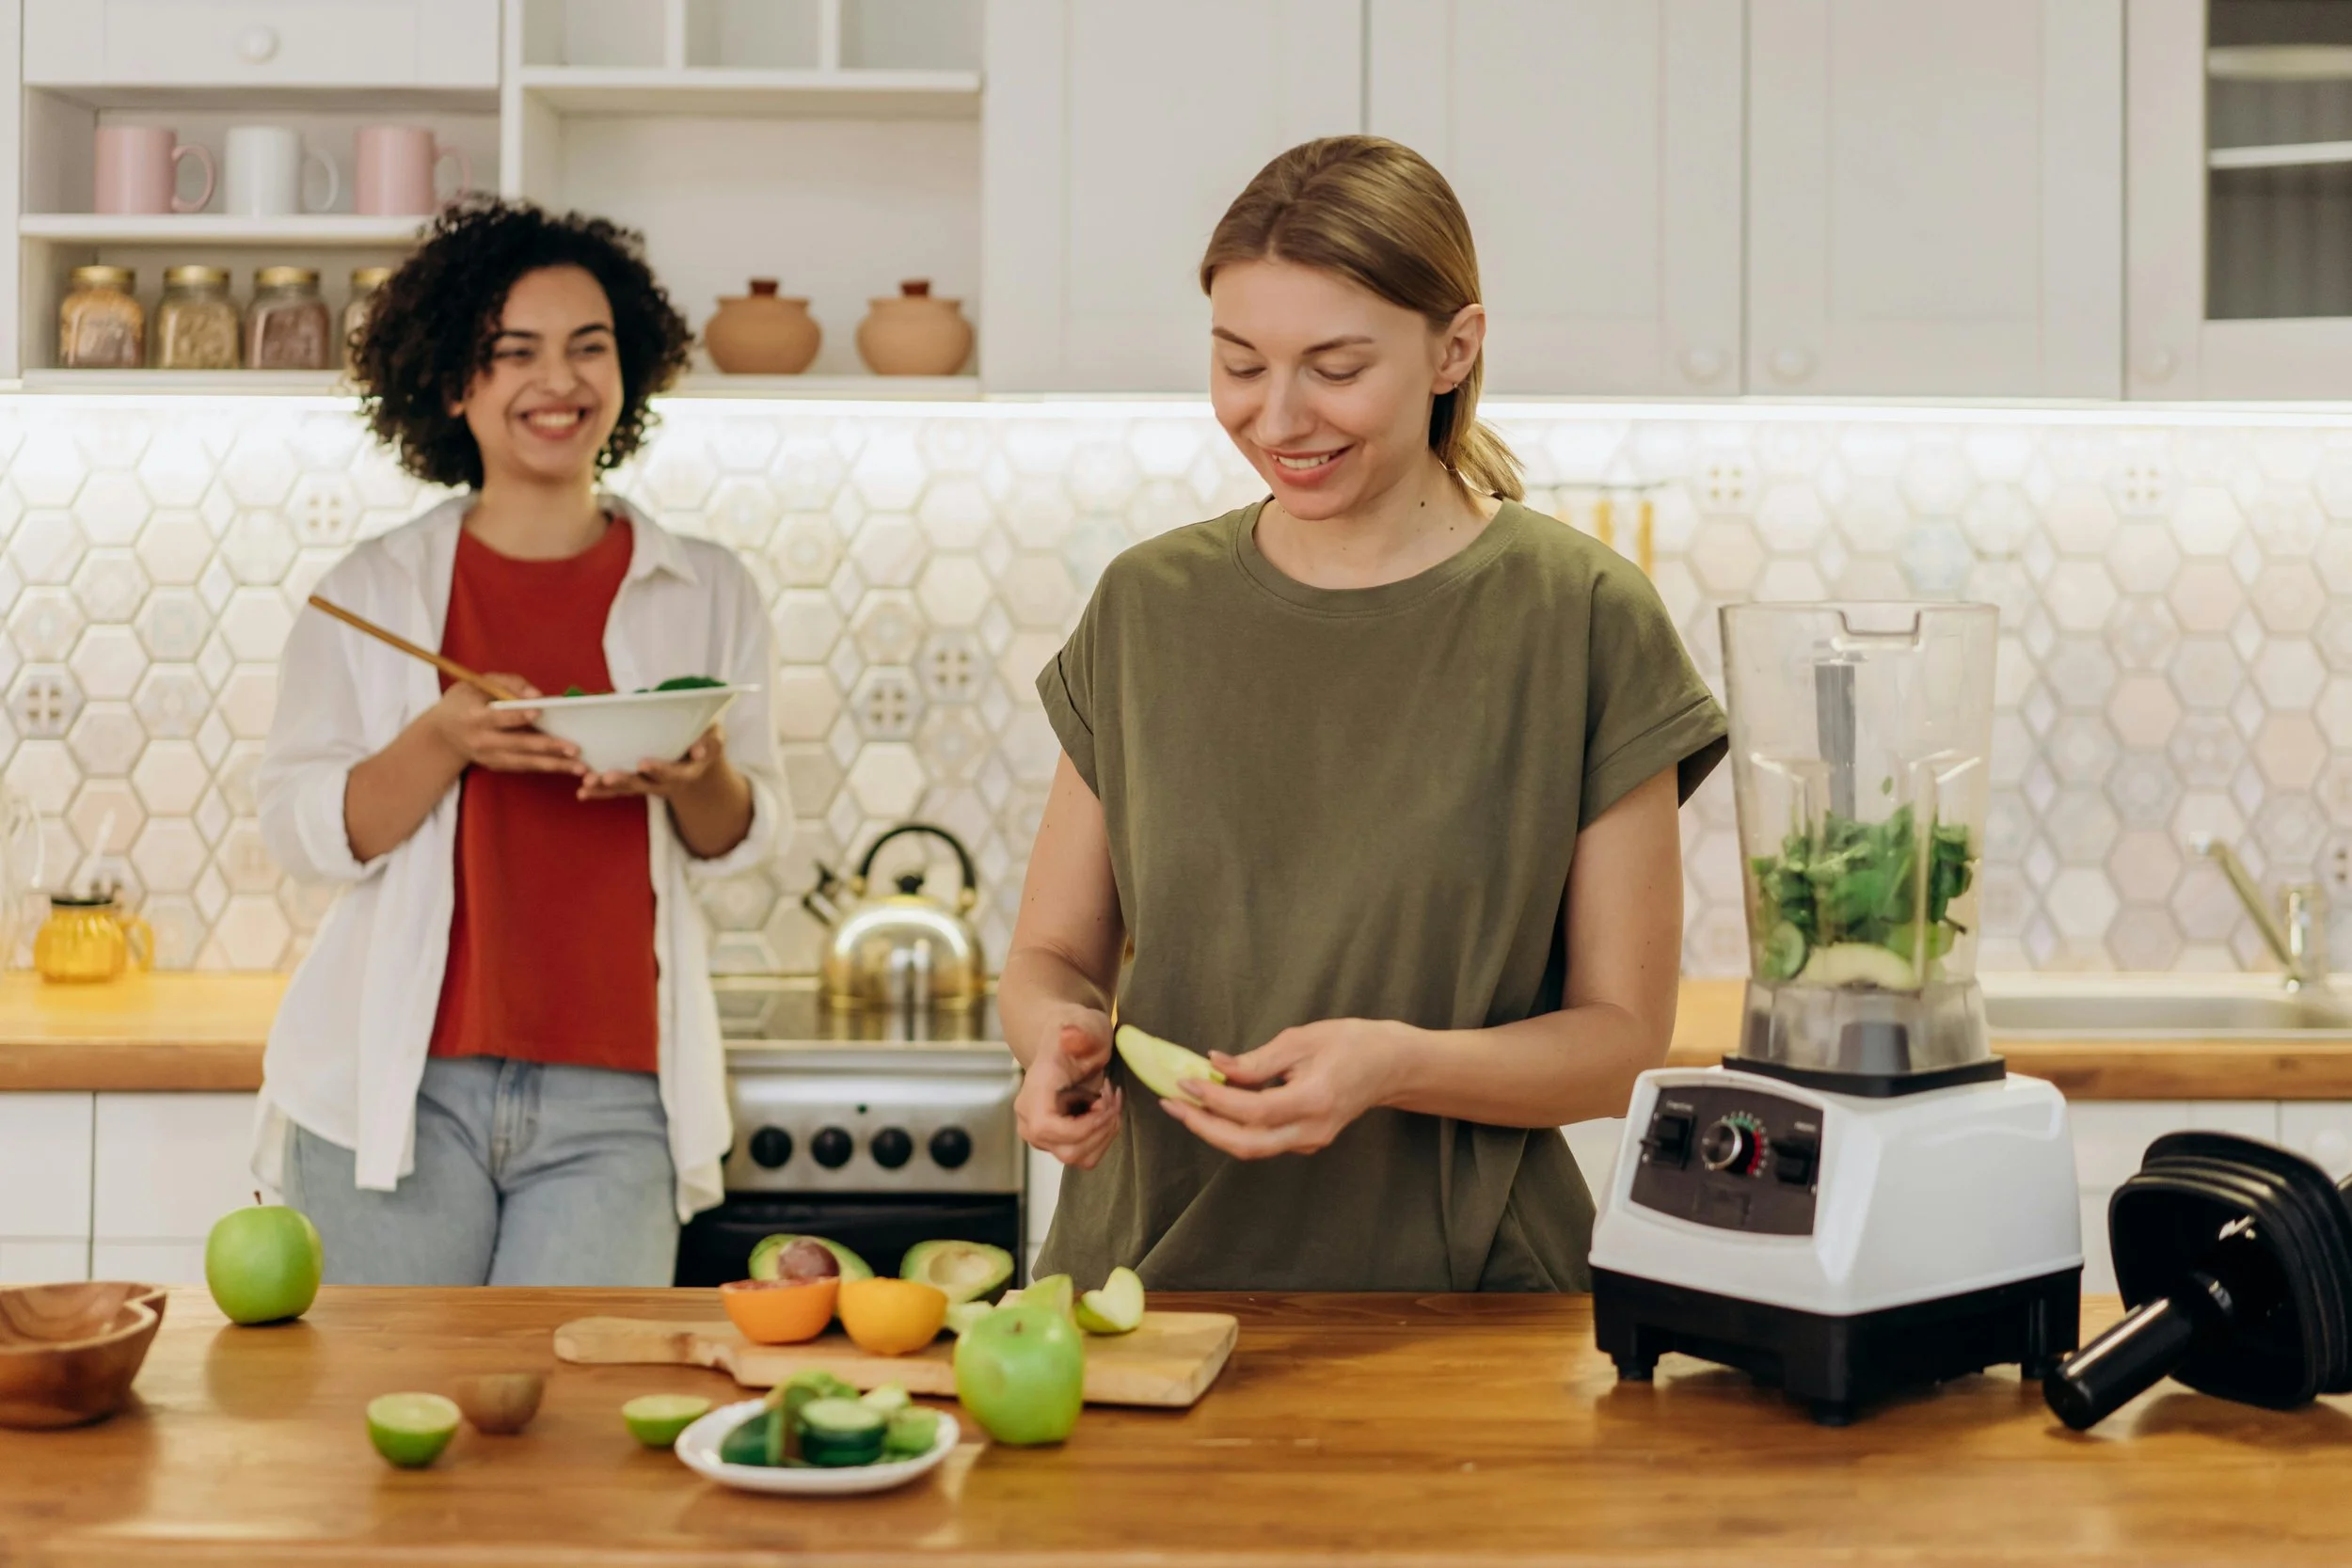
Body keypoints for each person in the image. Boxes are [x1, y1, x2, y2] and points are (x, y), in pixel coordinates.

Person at [1000, 136, 1728, 1291]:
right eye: (1238, 363)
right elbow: (1050, 955)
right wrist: (1055, 1038)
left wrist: (1391, 1065)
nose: (1278, 416)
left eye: (1334, 367)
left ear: (1455, 347)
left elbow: (1619, 1044)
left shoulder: (1584, 616)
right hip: (1140, 1290)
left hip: (1468, 1307)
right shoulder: (1146, 606)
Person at [254, 198, 785, 1286]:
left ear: (628, 369)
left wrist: (700, 772)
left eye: (591, 348)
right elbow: (305, 831)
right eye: (516, 353)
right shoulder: (372, 591)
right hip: (396, 1084)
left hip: (617, 1094)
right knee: (386, 1426)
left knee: (578, 1442)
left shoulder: (708, 586)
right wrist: (444, 736)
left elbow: (737, 835)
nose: (561, 381)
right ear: (455, 382)